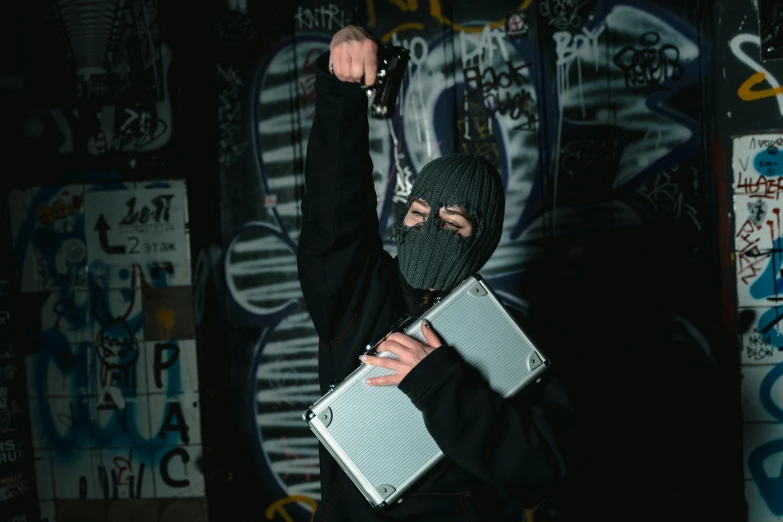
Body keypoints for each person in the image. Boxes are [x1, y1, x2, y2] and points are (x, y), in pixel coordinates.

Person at [297, 25, 576, 522]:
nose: (429, 229)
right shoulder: (357, 293)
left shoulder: (510, 341)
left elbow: (537, 474)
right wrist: (341, 90)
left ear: (481, 241)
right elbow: (334, 207)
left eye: (452, 222)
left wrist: (438, 382)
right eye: (418, 212)